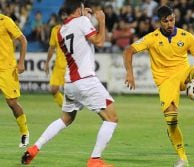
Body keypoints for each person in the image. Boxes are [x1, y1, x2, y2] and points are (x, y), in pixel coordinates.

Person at [123, 5, 194, 167]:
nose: (170, 24)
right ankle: (182, 158)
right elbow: (129, 50)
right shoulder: (152, 38)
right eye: (166, 21)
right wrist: (130, 73)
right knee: (171, 121)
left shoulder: (187, 36)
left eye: (172, 20)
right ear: (159, 22)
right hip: (165, 82)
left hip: (183, 73)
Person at [21, 1, 118, 166]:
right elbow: (100, 42)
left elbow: (78, 34)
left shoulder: (61, 31)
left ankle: (35, 148)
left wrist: (84, 17)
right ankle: (95, 159)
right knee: (111, 118)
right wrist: (101, 20)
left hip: (70, 83)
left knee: (65, 119)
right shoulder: (82, 22)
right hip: (85, 80)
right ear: (79, 9)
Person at [0, 13, 29, 148]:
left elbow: (23, 40)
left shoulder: (5, 21)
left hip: (6, 69)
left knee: (12, 102)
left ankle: (24, 132)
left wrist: (21, 63)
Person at [44, 8, 68, 107]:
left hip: (70, 65)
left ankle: (69, 110)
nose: (64, 17)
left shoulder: (74, 28)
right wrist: (47, 63)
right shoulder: (55, 30)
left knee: (71, 91)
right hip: (58, 65)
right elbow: (51, 47)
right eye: (62, 15)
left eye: (65, 15)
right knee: (54, 90)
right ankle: (65, 108)